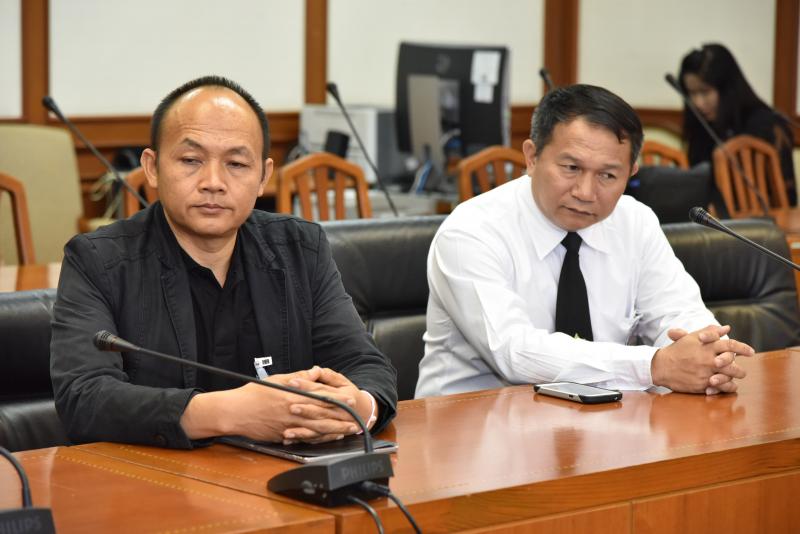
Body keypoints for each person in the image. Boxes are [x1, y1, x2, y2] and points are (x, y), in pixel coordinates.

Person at [50, 76, 397, 449]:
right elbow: (84, 398)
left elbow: (367, 366)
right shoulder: (98, 261)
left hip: (284, 475)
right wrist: (231, 413)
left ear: (263, 176)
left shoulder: (301, 249)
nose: (213, 182)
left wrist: (356, 408)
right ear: (152, 167)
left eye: (236, 163)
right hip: (157, 477)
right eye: (191, 160)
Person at [416, 84, 754, 398]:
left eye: (608, 175)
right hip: (472, 425)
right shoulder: (471, 231)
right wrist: (654, 366)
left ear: (631, 173)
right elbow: (513, 351)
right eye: (571, 168)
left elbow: (678, 311)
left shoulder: (634, 222)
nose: (586, 192)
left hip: (604, 421)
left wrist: (710, 356)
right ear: (532, 157)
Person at [679, 43, 796, 205]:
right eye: (692, 93)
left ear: (727, 88)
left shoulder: (766, 125)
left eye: (705, 92)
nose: (698, 103)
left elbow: (786, 198)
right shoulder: (701, 126)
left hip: (766, 218)